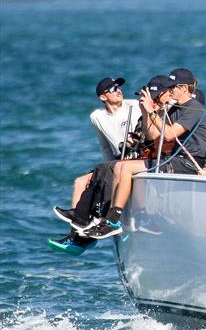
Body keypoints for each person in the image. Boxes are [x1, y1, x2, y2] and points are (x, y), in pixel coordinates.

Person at [85, 73, 206, 239]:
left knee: (127, 168)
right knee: (120, 165)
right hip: (174, 159)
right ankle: (112, 220)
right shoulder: (174, 109)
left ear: (183, 88)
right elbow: (152, 136)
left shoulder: (194, 107)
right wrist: (146, 111)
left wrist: (152, 112)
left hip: (188, 163)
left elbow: (169, 134)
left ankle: (114, 220)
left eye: (172, 87)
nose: (169, 91)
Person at [47, 76, 141, 255]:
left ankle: (92, 227)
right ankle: (77, 234)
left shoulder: (134, 106)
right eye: (113, 89)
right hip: (115, 159)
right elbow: (105, 146)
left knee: (108, 173)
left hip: (133, 157)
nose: (119, 91)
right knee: (80, 182)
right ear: (103, 97)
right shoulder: (97, 117)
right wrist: (107, 169)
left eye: (119, 87)